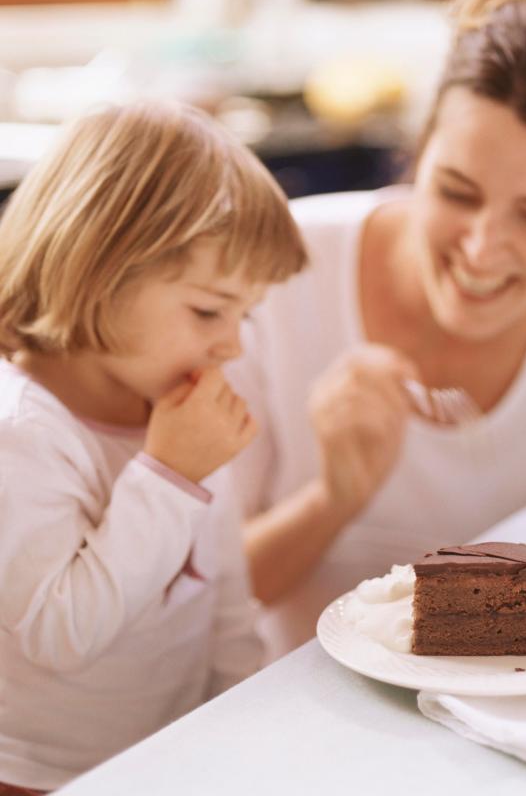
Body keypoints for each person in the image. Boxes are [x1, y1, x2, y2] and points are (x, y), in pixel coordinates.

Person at [227, 0, 526, 662]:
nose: (483, 250)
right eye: (457, 193)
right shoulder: (274, 278)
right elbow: (201, 604)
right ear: (421, 146)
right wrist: (332, 498)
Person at [0, 101, 307, 793]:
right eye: (208, 310)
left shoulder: (178, 406)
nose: (232, 344)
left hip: (165, 757)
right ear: (98, 270)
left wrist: (242, 715)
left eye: (244, 314)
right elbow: (60, 634)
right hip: (40, 777)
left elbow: (226, 595)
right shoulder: (21, 430)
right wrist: (168, 473)